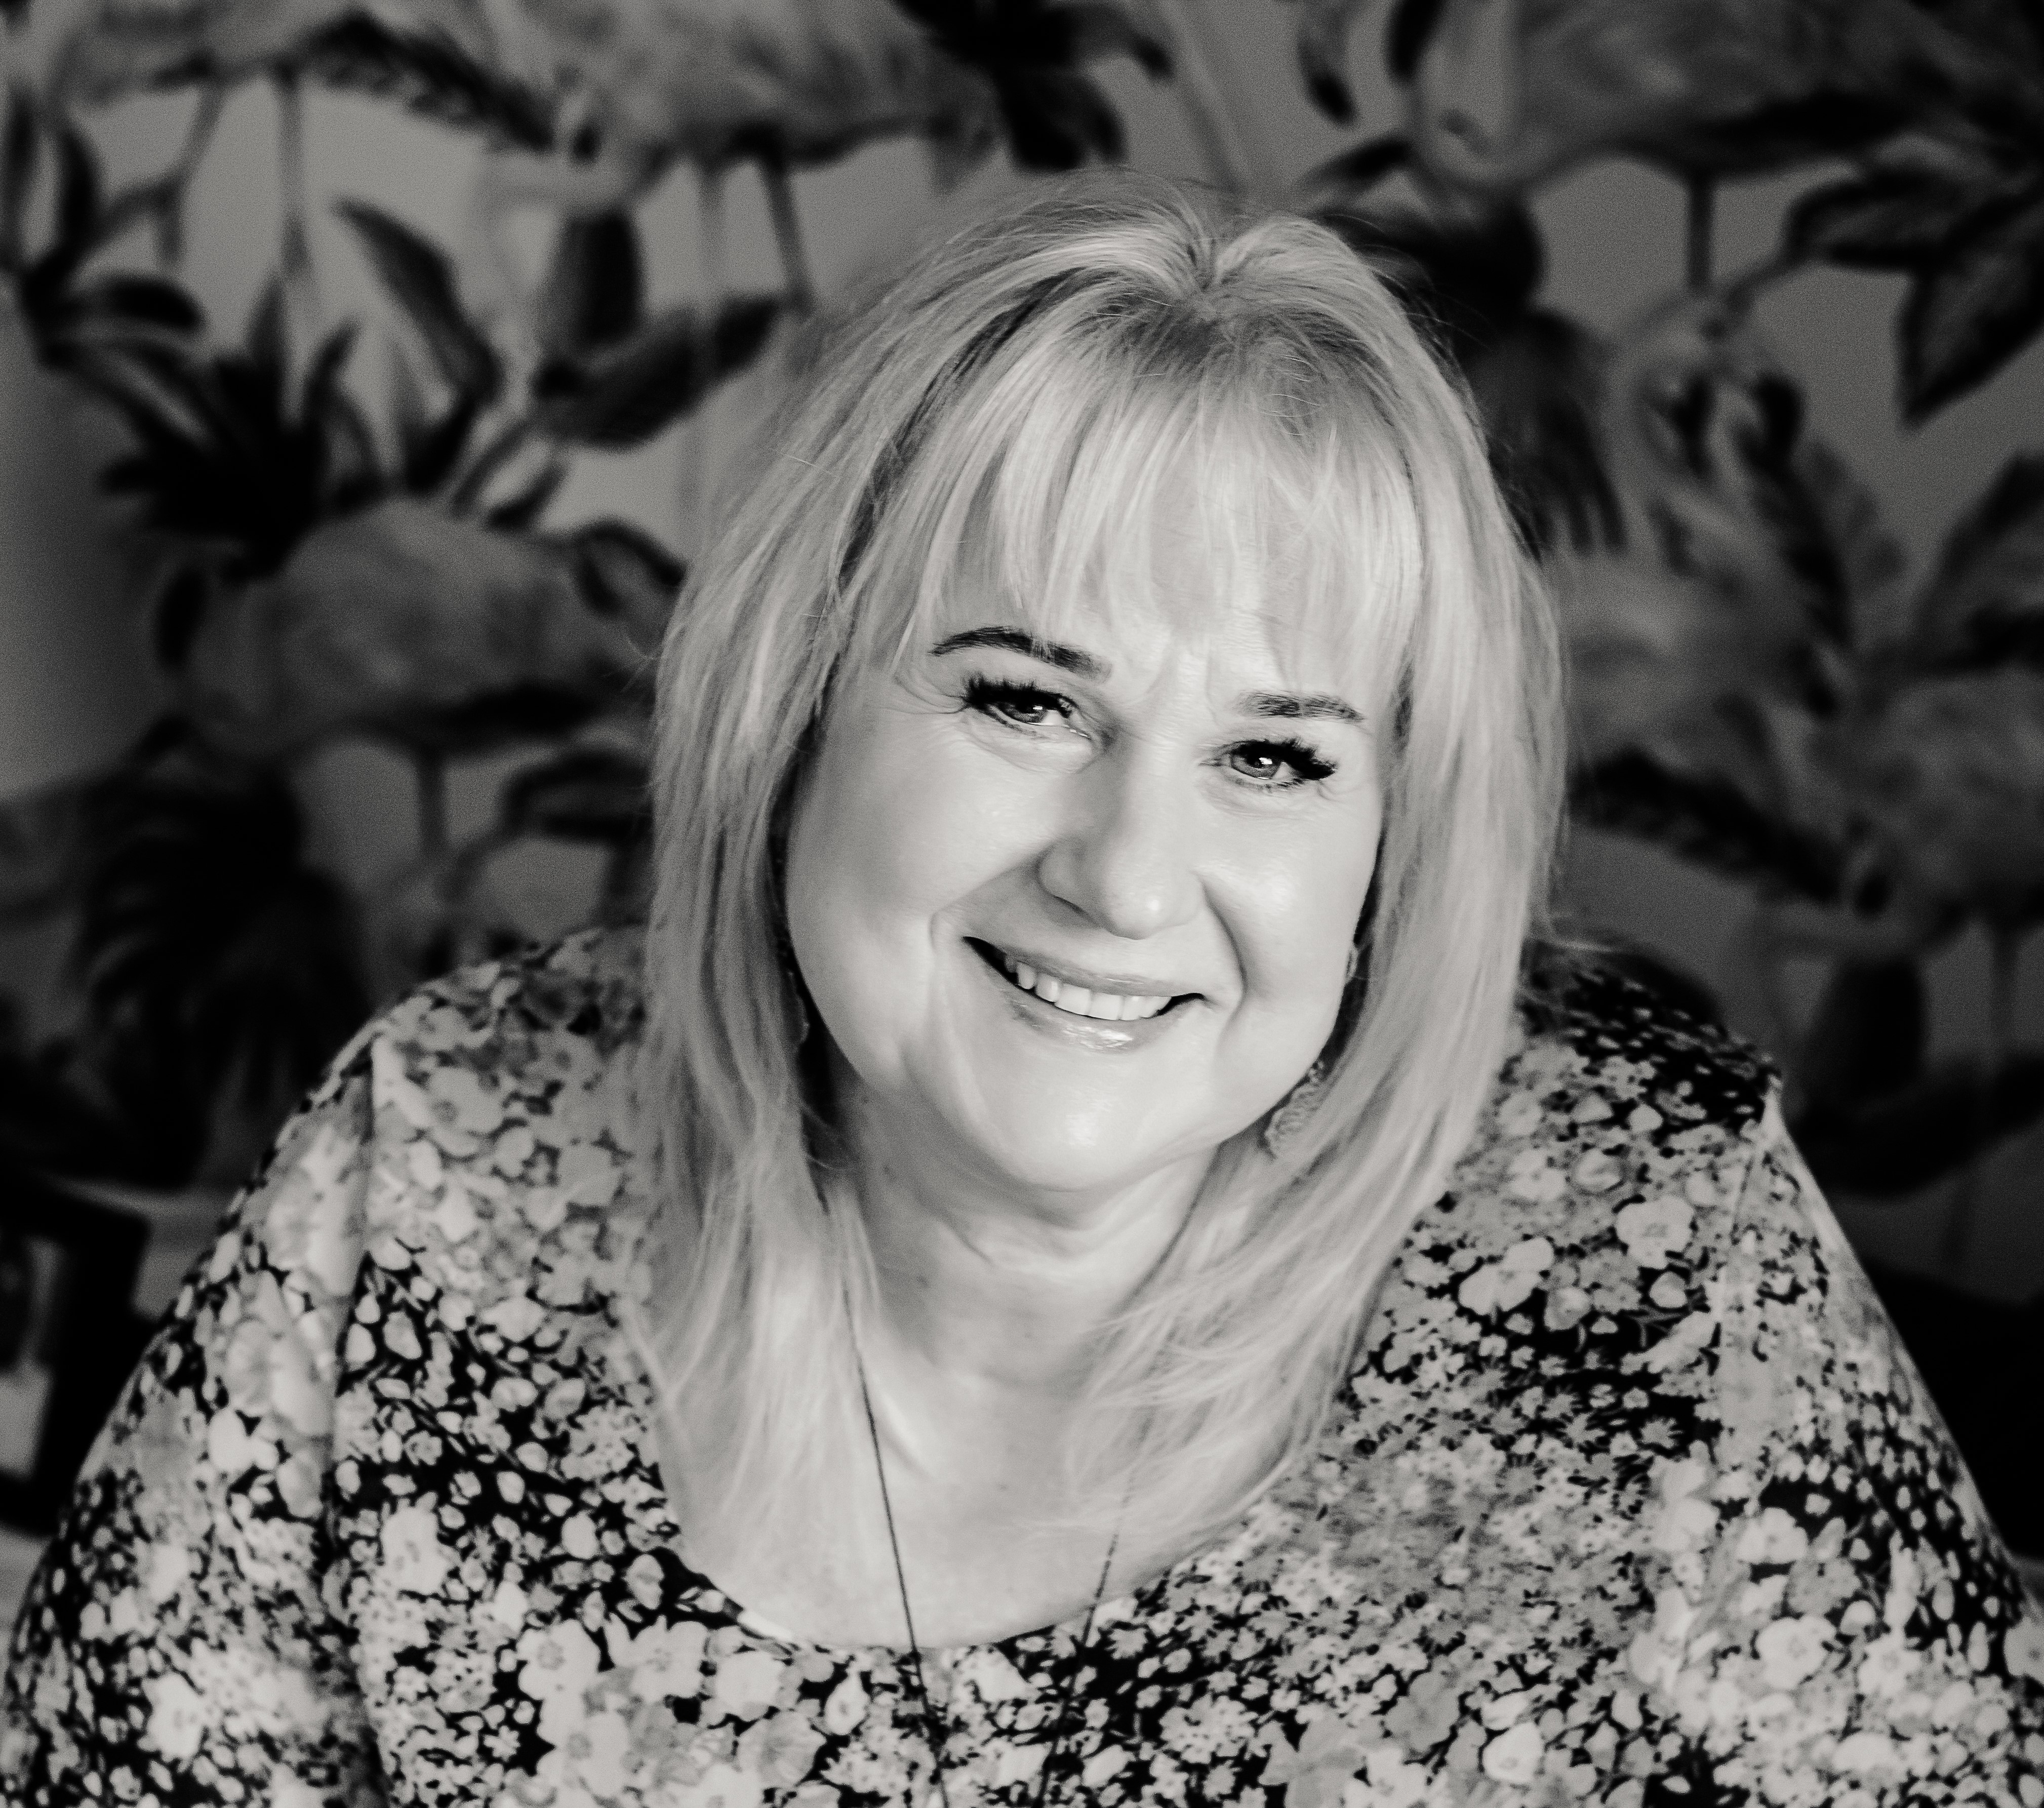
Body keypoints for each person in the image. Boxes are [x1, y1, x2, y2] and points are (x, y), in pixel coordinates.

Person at [4, 171, 2040, 1808]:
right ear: (793, 709)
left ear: (1388, 848)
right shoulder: (441, 1159)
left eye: (1273, 752)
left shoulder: (1649, 1238)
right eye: (1017, 694)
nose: (1123, 872)